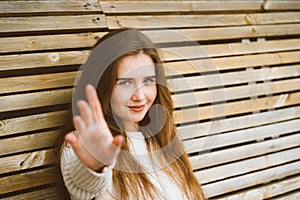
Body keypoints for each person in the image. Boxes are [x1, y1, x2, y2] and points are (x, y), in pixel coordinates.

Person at [59, 28, 206, 200]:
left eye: (148, 81)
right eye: (126, 82)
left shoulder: (160, 138)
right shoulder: (86, 143)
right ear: (103, 85)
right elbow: (84, 184)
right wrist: (95, 167)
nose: (140, 96)